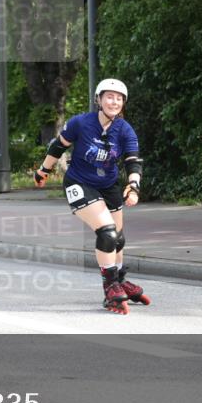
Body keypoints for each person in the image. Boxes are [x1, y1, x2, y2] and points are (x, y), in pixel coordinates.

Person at [33, 79, 145, 315]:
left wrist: (133, 185)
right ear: (99, 100)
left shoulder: (125, 129)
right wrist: (43, 170)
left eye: (119, 98)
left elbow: (133, 161)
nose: (114, 102)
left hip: (109, 185)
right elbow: (58, 146)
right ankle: (110, 287)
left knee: (118, 239)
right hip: (80, 182)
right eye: (109, 97)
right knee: (107, 233)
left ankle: (120, 279)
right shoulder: (81, 123)